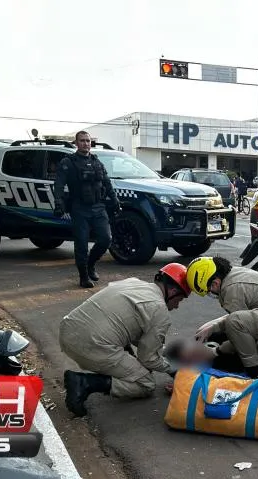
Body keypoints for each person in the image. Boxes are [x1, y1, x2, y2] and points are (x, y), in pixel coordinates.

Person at [59, 263, 190, 417]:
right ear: (173, 292)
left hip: (67, 331)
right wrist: (173, 369)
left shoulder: (133, 282)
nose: (177, 306)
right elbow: (148, 358)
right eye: (180, 300)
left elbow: (135, 332)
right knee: (146, 383)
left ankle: (117, 369)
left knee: (122, 333)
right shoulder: (159, 310)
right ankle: (84, 383)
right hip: (91, 345)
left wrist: (160, 351)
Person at [53, 131, 121, 289]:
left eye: (88, 141)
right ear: (76, 143)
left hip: (98, 207)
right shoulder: (68, 162)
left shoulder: (97, 162)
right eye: (82, 141)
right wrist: (58, 202)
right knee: (81, 244)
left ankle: (90, 264)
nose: (86, 143)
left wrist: (115, 200)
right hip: (79, 208)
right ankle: (83, 276)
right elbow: (59, 185)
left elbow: (107, 183)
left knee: (106, 239)